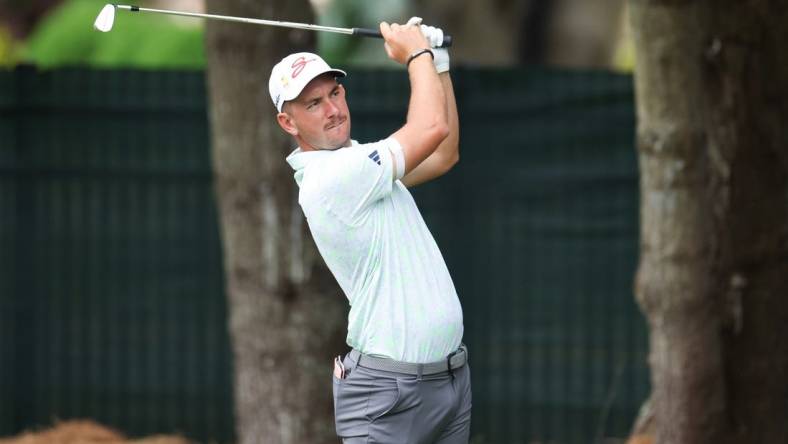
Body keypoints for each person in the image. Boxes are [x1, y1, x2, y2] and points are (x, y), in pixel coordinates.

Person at [269, 17, 470, 444]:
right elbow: (430, 128)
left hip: (447, 380)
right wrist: (417, 55)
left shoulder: (360, 161)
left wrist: (439, 62)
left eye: (335, 93)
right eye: (313, 104)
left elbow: (444, 152)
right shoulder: (333, 178)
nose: (334, 109)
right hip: (390, 393)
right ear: (288, 123)